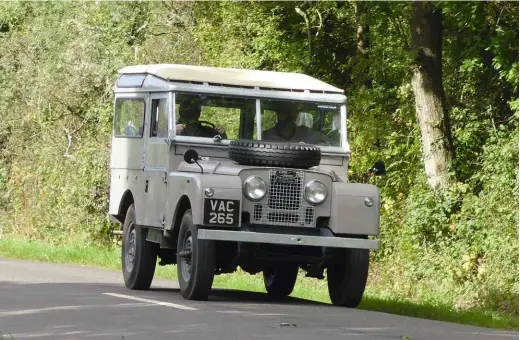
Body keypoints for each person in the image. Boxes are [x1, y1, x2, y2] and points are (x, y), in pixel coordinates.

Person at [262, 103, 331, 145]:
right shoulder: (266, 136)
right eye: (283, 111)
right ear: (277, 113)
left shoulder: (307, 134)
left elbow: (329, 143)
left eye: (290, 112)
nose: (284, 116)